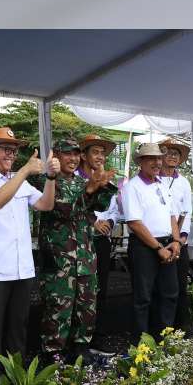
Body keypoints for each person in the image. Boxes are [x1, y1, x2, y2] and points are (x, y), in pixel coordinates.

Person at [0, 127, 59, 373]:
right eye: (6, 149)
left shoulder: (16, 179)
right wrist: (26, 171)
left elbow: (45, 204)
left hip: (22, 267)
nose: (12, 155)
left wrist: (50, 178)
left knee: (18, 326)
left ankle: (16, 379)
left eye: (14, 150)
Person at [39, 137, 117, 363]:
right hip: (59, 258)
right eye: (67, 154)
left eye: (76, 154)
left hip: (84, 256)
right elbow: (63, 210)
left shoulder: (81, 182)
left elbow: (100, 206)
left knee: (86, 304)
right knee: (58, 307)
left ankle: (80, 347)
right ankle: (53, 352)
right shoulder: (48, 181)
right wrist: (91, 188)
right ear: (56, 156)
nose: (73, 159)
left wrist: (102, 185)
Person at [122, 143, 181, 343]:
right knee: (143, 298)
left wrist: (175, 241)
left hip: (167, 243)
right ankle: (141, 344)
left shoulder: (162, 185)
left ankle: (163, 340)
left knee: (169, 294)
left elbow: (173, 216)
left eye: (158, 158)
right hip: (144, 247)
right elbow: (135, 223)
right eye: (151, 159)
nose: (157, 162)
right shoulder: (132, 187)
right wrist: (157, 248)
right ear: (140, 162)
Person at [75, 134, 119, 352]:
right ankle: (77, 341)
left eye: (103, 153)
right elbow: (74, 206)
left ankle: (97, 339)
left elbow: (115, 210)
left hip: (102, 241)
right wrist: (94, 221)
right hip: (79, 243)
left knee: (100, 290)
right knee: (78, 292)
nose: (100, 156)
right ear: (83, 155)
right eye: (95, 152)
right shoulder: (75, 178)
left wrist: (109, 221)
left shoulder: (107, 179)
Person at [158, 138, 193, 330]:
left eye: (176, 154)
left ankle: (182, 326)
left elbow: (186, 211)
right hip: (159, 240)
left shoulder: (184, 182)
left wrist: (180, 238)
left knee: (180, 285)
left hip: (180, 240)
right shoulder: (154, 179)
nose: (172, 156)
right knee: (161, 286)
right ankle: (161, 327)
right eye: (168, 152)